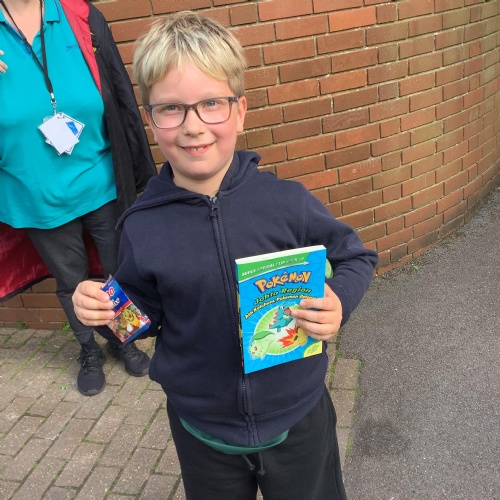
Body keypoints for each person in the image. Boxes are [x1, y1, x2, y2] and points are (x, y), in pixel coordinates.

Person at [72, 11, 378, 500]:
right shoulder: (142, 225)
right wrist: (105, 312)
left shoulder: (286, 202)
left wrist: (338, 300)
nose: (193, 127)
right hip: (203, 431)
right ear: (150, 119)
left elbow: (356, 256)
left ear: (239, 111)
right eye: (171, 109)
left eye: (211, 103)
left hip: (298, 418)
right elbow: (140, 318)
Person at [0, 0, 157, 396]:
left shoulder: (78, 14)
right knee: (71, 280)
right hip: (34, 194)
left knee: (118, 272)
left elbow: (117, 93)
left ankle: (123, 340)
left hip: (100, 183)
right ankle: (88, 350)